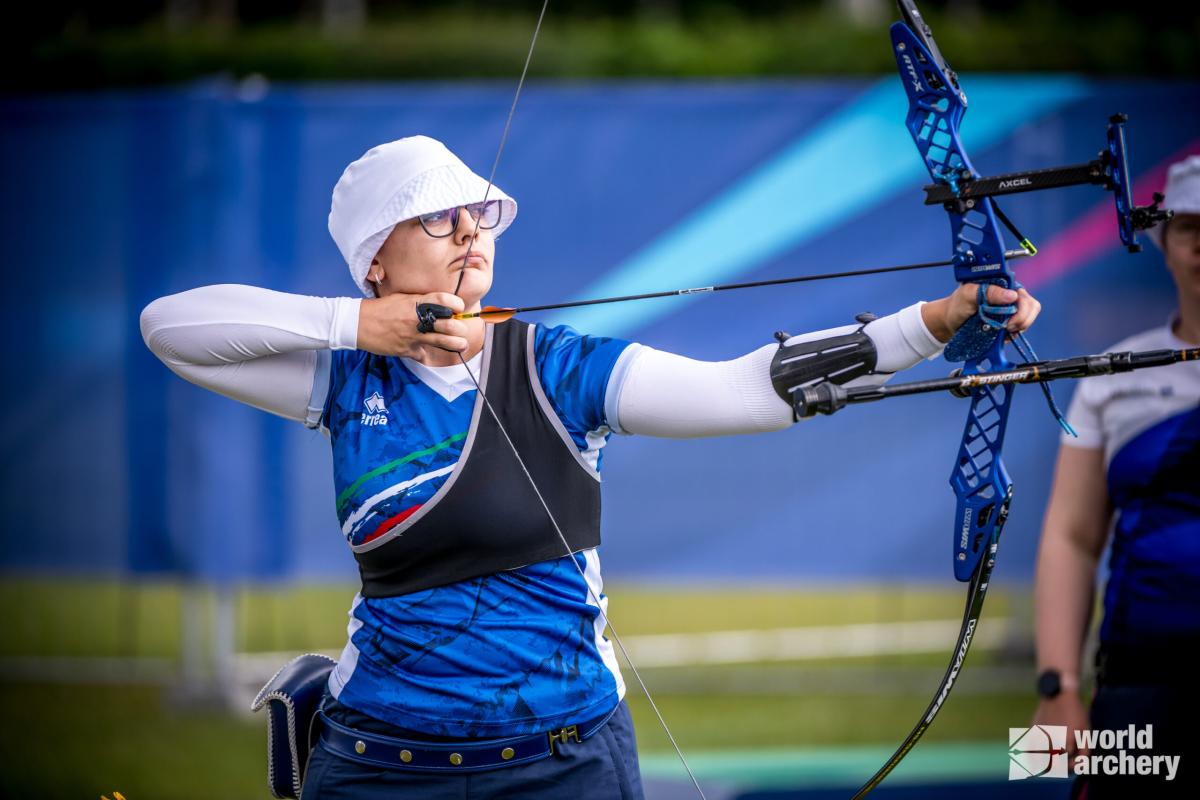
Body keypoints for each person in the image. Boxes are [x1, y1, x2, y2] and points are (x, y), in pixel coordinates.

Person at [141, 135, 1042, 799]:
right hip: (380, 762)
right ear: (376, 257)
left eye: (479, 216)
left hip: (561, 761)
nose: (469, 232)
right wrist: (357, 325)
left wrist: (931, 321)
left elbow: (743, 392)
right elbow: (171, 328)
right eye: (437, 217)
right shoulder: (340, 372)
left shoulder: (555, 366)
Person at [1032, 154, 1200, 797]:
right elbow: (1070, 536)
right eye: (1192, 229)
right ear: (1164, 244)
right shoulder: (1111, 374)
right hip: (1135, 679)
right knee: (1065, 779)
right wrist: (1057, 687)